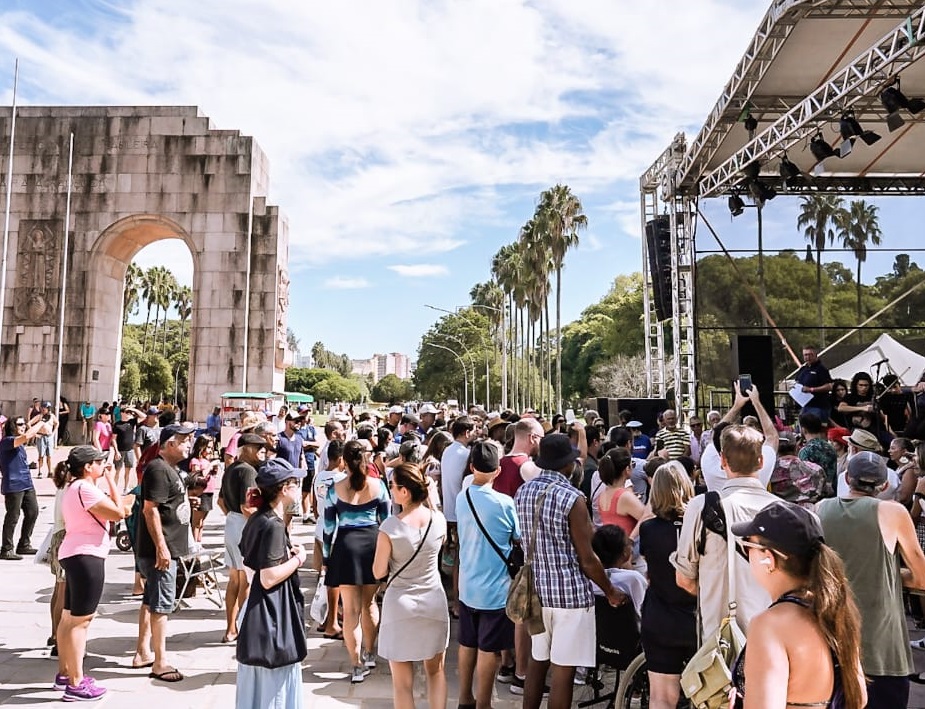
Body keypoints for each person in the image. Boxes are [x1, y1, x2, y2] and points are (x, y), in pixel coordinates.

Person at [514, 433, 623, 709]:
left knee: (538, 661)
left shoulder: (523, 492)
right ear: (567, 464)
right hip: (569, 596)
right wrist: (610, 591)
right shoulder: (572, 498)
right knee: (564, 670)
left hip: (536, 591)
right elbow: (587, 559)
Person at [728, 501, 867, 708]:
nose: (746, 553)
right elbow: (859, 698)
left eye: (748, 546)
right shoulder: (834, 609)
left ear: (768, 559)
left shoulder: (769, 626)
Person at [817, 451, 925, 707]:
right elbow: (921, 577)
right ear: (884, 485)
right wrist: (888, 573)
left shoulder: (821, 508)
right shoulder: (893, 512)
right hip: (881, 645)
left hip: (830, 639)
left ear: (847, 478)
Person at [672, 422, 779, 638]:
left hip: (720, 637)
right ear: (761, 461)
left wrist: (712, 593)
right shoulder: (784, 511)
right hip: (770, 636)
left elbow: (684, 579)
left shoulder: (701, 506)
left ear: (722, 460)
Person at [373, 463, 449, 709]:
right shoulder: (438, 520)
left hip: (400, 605)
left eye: (393, 486)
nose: (391, 490)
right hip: (433, 601)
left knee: (402, 684)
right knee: (436, 672)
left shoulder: (390, 527)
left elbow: (378, 571)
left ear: (404, 491)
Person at [54, 446, 127, 702]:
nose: (102, 465)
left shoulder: (73, 488)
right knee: (81, 621)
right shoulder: (85, 489)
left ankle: (65, 673)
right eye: (99, 462)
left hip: (74, 553)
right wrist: (111, 480)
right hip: (87, 555)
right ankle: (76, 683)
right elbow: (119, 512)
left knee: (68, 618)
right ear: (88, 467)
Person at [234, 458, 308, 709]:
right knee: (273, 689)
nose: (298, 487)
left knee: (257, 689)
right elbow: (268, 577)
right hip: (272, 614)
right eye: (295, 483)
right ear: (284, 488)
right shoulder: (273, 524)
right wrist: (298, 559)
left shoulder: (257, 519)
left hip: (257, 611)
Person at [454, 441, 520, 709]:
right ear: (498, 471)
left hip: (467, 585)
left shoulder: (462, 497)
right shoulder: (504, 503)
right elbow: (517, 536)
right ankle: (483, 704)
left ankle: (464, 698)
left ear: (472, 467)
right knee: (488, 649)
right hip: (495, 589)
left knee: (467, 644)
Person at [322, 439, 390, 683]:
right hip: (372, 545)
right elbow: (387, 522)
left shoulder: (334, 489)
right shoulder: (379, 486)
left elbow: (328, 528)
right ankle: (370, 652)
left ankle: (356, 664)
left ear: (344, 461)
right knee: (370, 604)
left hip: (345, 547)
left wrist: (327, 557)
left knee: (350, 611)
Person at [132, 423, 195, 681]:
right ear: (170, 444)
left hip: (166, 547)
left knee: (150, 601)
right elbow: (151, 509)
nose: (189, 445)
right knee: (161, 606)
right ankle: (160, 662)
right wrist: (161, 547)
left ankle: (142, 652)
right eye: (184, 440)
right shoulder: (158, 469)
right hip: (161, 551)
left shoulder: (170, 469)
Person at [638, 462, 697, 709]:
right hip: (697, 618)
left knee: (661, 697)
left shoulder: (648, 529)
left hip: (660, 617)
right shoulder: (701, 529)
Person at [217, 431, 267, 643]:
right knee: (245, 580)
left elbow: (220, 501)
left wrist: (233, 518)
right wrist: (262, 525)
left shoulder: (231, 469)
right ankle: (241, 627)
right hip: (244, 525)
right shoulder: (248, 471)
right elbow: (248, 506)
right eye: (258, 448)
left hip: (232, 523)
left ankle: (231, 627)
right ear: (246, 449)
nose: (262, 452)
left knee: (235, 579)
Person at [701, 382, 779, 492]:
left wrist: (737, 405)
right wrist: (756, 402)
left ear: (723, 459)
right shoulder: (761, 470)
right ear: (760, 460)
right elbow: (772, 436)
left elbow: (715, 435)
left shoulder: (710, 465)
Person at [0, 415, 49, 559]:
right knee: (13, 516)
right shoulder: (7, 441)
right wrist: (40, 422)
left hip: (26, 482)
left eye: (23, 424)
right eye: (20, 424)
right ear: (12, 426)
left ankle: (24, 544)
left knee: (33, 512)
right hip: (14, 484)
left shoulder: (19, 443)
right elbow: (28, 435)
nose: (23, 426)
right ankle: (6, 549)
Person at [312, 439, 345, 639]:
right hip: (336, 531)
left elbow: (314, 506)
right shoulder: (342, 479)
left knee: (323, 576)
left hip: (320, 528)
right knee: (335, 579)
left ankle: (324, 618)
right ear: (340, 459)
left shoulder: (318, 477)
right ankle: (332, 621)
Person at [595, 447, 645, 535]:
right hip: (626, 541)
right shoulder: (624, 496)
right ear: (627, 469)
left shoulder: (603, 495)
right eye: (632, 465)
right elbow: (647, 519)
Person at [187, 434, 220, 543]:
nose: (210, 451)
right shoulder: (195, 461)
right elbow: (197, 476)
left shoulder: (206, 460)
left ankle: (199, 541)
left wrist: (214, 469)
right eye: (208, 447)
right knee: (196, 522)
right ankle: (194, 543)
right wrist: (210, 466)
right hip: (200, 492)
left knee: (201, 522)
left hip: (209, 492)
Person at [795, 345, 834, 421]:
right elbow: (797, 382)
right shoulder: (803, 369)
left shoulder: (821, 369)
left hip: (818, 406)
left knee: (816, 427)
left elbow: (829, 386)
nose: (808, 357)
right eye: (805, 355)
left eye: (810, 354)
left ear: (816, 355)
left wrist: (811, 389)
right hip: (804, 405)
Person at [31, 401, 58, 478]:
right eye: (43, 408)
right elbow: (29, 423)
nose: (44, 409)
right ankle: (40, 472)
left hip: (49, 437)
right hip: (41, 437)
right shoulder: (39, 416)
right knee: (41, 455)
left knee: (49, 456)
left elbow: (57, 423)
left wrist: (53, 433)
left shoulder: (52, 416)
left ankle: (50, 472)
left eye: (45, 408)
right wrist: (35, 434)